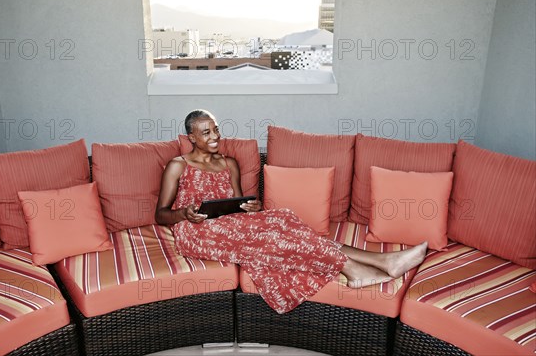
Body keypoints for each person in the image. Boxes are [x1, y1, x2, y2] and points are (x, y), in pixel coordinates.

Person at [155, 110, 427, 314]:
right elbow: (161, 214)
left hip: (233, 225)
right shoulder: (177, 166)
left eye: (216, 129)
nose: (215, 136)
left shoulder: (229, 163)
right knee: (275, 236)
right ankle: (368, 264)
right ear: (191, 137)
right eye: (206, 133)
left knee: (282, 217)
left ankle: (367, 267)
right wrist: (184, 215)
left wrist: (253, 208)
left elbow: (237, 205)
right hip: (197, 231)